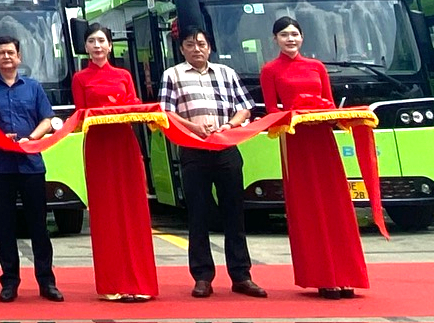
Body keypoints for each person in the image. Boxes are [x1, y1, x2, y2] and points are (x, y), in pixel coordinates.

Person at [260, 16, 368, 299]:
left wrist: (326, 116)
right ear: (275, 39)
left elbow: (329, 104)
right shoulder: (270, 70)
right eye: (284, 35)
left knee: (336, 204)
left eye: (294, 34)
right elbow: (272, 111)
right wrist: (296, 116)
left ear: (302, 37)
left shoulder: (317, 66)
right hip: (296, 143)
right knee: (308, 206)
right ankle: (323, 276)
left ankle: (346, 276)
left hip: (323, 140)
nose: (290, 39)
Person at [158, 26, 267, 299]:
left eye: (202, 44)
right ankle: (202, 277)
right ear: (181, 49)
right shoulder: (172, 75)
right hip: (193, 149)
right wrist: (193, 128)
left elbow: (245, 107)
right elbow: (166, 112)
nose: (197, 49)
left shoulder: (226, 73)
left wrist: (229, 125)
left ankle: (241, 276)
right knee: (198, 215)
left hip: (226, 147)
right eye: (190, 45)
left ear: (209, 47)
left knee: (234, 212)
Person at [71, 24, 159, 302]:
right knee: (105, 213)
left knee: (134, 210)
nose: (97, 46)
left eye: (101, 41)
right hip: (99, 147)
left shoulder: (124, 75)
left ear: (110, 46)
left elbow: (134, 103)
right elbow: (81, 114)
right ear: (85, 47)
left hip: (124, 144)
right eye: (91, 41)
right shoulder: (80, 78)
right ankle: (113, 283)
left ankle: (140, 283)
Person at [0, 36, 63, 303]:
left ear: (19, 57)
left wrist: (31, 139)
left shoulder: (33, 87)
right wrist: (0, 138)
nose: (6, 57)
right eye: (1, 53)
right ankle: (9, 282)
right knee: (4, 227)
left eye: (10, 52)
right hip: (1, 167)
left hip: (31, 165)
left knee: (39, 226)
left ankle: (46, 282)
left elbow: (48, 119)